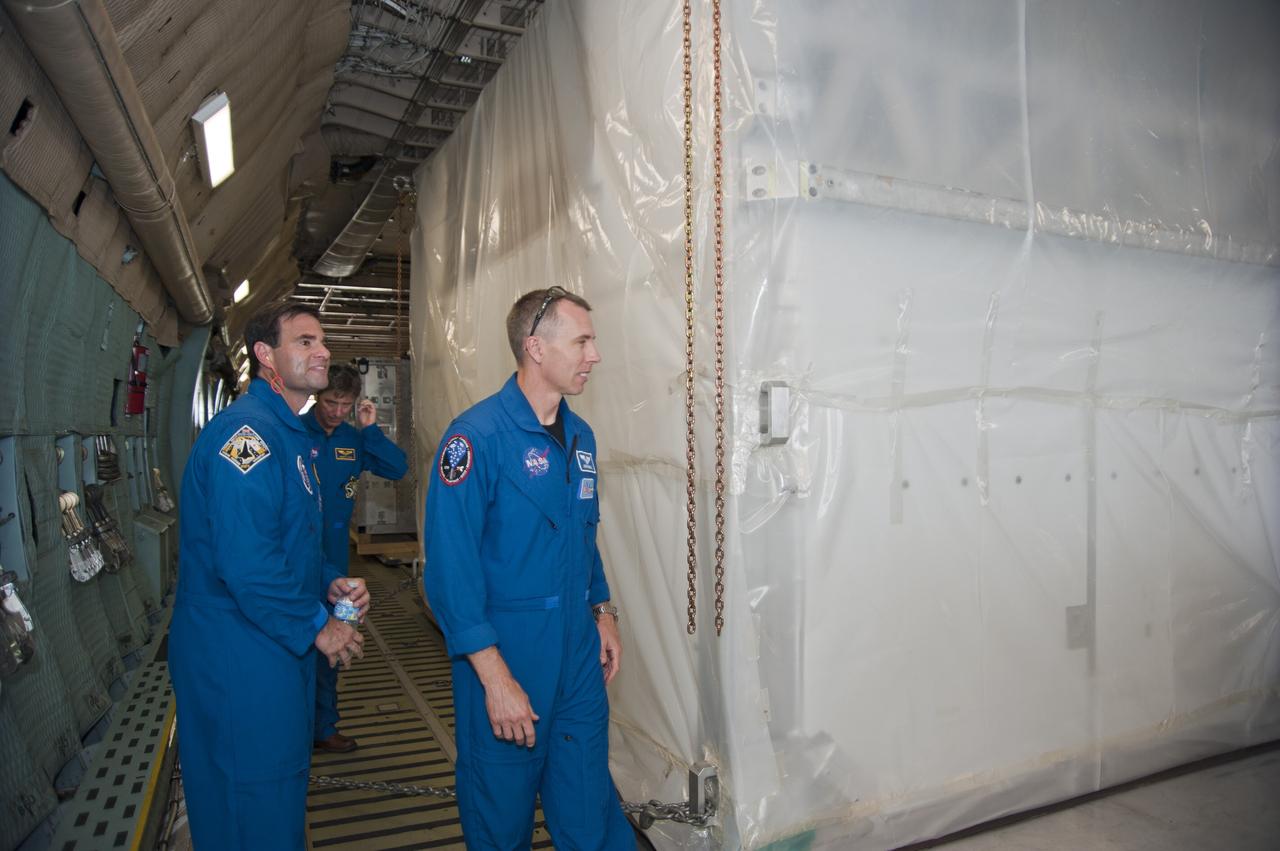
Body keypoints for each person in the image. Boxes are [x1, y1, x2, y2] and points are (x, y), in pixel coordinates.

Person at [423, 286, 633, 849]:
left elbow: (582, 536)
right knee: (500, 817)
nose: (595, 355)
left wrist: (602, 608)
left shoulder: (581, 438)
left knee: (590, 810)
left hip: (577, 661)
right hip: (507, 659)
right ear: (536, 348)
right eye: (583, 341)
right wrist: (495, 678)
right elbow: (449, 571)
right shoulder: (475, 440)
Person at [169, 301, 371, 850]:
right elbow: (249, 564)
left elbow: (290, 543)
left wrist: (329, 580)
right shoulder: (248, 439)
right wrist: (319, 626)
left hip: (272, 648)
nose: (322, 349)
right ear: (265, 356)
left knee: (277, 794)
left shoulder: (290, 437)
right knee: (251, 802)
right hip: (239, 656)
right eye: (304, 341)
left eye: (322, 340)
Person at [304, 362, 408, 753]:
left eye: (344, 404)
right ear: (318, 395)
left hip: (338, 567)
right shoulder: (296, 433)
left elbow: (397, 467)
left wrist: (370, 430)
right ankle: (294, 727)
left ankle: (325, 726)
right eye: (331, 401)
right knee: (298, 642)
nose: (335, 411)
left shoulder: (354, 438)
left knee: (337, 640)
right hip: (299, 561)